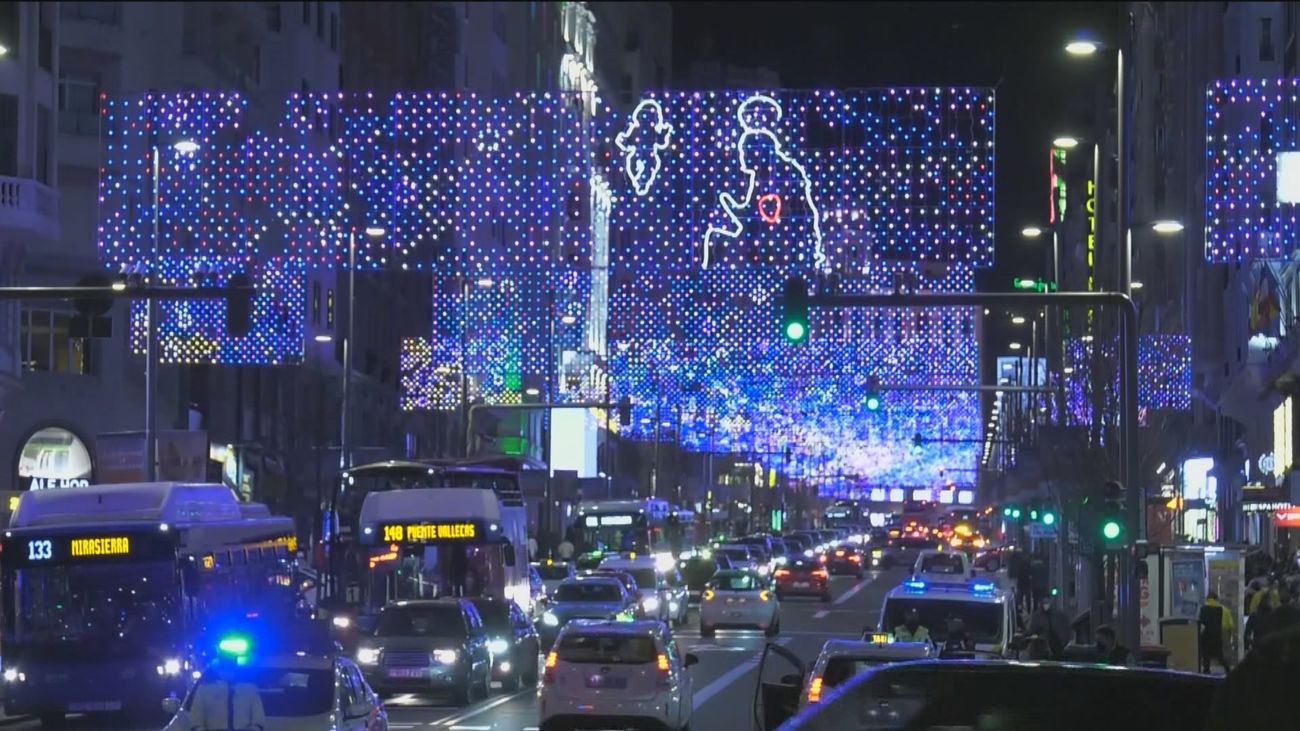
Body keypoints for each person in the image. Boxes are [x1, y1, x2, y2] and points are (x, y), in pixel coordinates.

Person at [186, 658, 267, 731]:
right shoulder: (204, 691)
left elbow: (258, 722)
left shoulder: (250, 691)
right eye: (225, 667)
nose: (228, 671)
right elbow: (196, 722)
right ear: (219, 670)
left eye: (231, 667)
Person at [1199, 591, 1235, 674]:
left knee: (1206, 654)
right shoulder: (1222, 609)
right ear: (1216, 598)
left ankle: (1206, 671)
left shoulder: (1203, 608)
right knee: (1219, 655)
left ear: (1208, 598)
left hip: (1206, 635)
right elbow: (1230, 625)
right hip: (1218, 635)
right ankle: (1228, 669)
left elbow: (1201, 623)